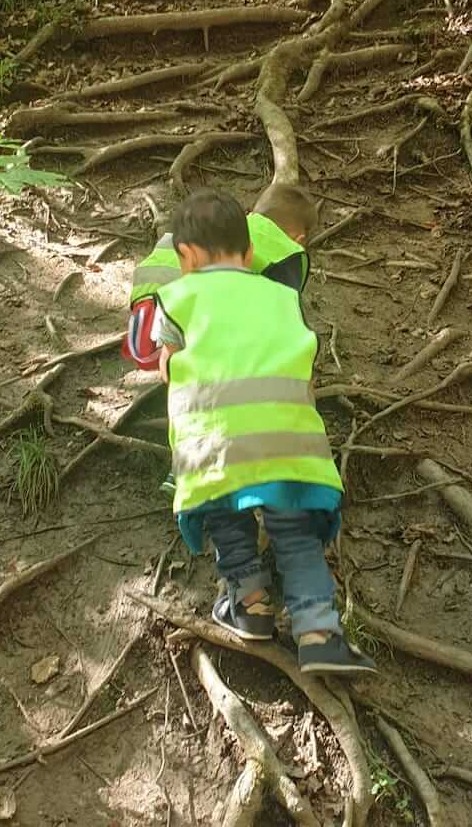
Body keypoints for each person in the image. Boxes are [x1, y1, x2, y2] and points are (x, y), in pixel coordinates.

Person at [152, 188, 375, 675]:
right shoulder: (282, 297)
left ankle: (250, 607)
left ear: (184, 259)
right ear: (250, 253)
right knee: (295, 534)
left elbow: (166, 370)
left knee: (226, 519)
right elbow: (305, 371)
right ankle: (319, 633)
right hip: (291, 445)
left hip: (214, 447)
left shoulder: (174, 297)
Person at [124, 182, 317, 372]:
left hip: (142, 321)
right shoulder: (286, 252)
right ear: (299, 240)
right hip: (185, 319)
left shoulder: (229, 224)